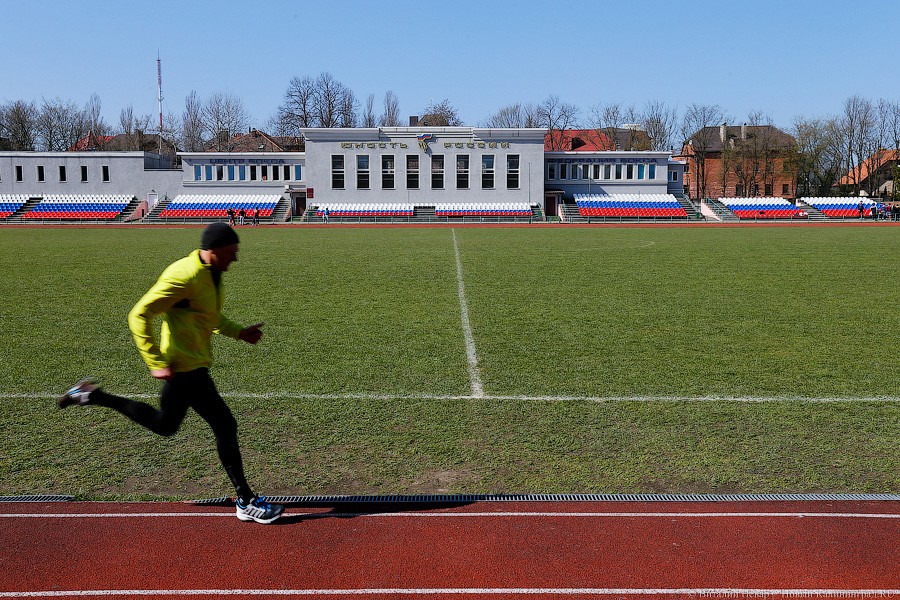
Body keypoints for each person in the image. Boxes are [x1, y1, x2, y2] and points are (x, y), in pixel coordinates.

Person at [58, 222, 284, 524]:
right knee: (225, 425)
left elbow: (209, 317)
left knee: (165, 426)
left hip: (194, 366)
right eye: (231, 253)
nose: (236, 259)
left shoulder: (212, 275)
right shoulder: (183, 276)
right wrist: (154, 362)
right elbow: (139, 314)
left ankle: (90, 395)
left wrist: (239, 333)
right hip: (182, 368)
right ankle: (245, 500)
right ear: (213, 251)